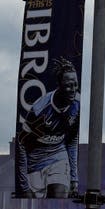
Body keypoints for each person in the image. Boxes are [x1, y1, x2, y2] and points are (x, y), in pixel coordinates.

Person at [15, 58, 80, 198]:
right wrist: (24, 185)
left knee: (58, 196)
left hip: (58, 158)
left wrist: (74, 176)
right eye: (69, 85)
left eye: (76, 85)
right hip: (36, 163)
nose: (73, 90)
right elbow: (21, 142)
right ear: (59, 85)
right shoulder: (39, 110)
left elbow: (72, 140)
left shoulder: (76, 106)